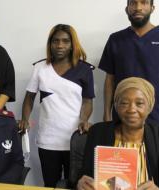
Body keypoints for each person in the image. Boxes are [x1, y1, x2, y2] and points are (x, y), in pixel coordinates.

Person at [99, 0, 159, 148]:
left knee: (158, 169)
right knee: (122, 170)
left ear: (152, 8)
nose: (138, 7)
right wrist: (106, 116)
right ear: (127, 8)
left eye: (144, 3)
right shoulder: (116, 40)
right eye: (133, 3)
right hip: (122, 123)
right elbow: (110, 80)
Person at [19, 24, 95, 187]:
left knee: (74, 184)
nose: (60, 45)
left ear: (72, 44)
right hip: (48, 140)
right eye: (56, 41)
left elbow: (88, 101)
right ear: (50, 43)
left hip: (74, 139)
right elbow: (29, 98)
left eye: (65, 41)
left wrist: (84, 119)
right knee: (51, 184)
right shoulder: (40, 68)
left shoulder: (84, 69)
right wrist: (25, 119)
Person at [77, 77, 159, 190]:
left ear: (149, 107)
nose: (131, 109)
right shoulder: (98, 132)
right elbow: (84, 175)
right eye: (124, 103)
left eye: (139, 103)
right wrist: (80, 184)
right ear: (116, 106)